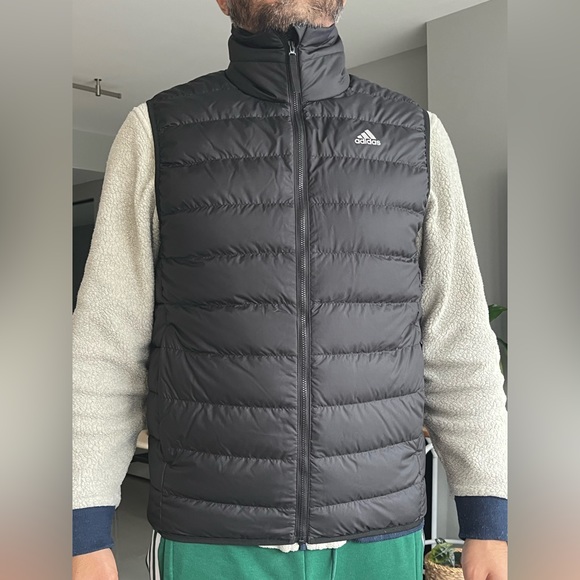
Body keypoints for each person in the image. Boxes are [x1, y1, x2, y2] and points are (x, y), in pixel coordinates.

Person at [72, 1, 508, 578]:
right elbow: (105, 345)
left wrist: (488, 518)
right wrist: (82, 528)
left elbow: (459, 340)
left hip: (378, 539)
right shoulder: (157, 133)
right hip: (211, 539)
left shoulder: (417, 137)